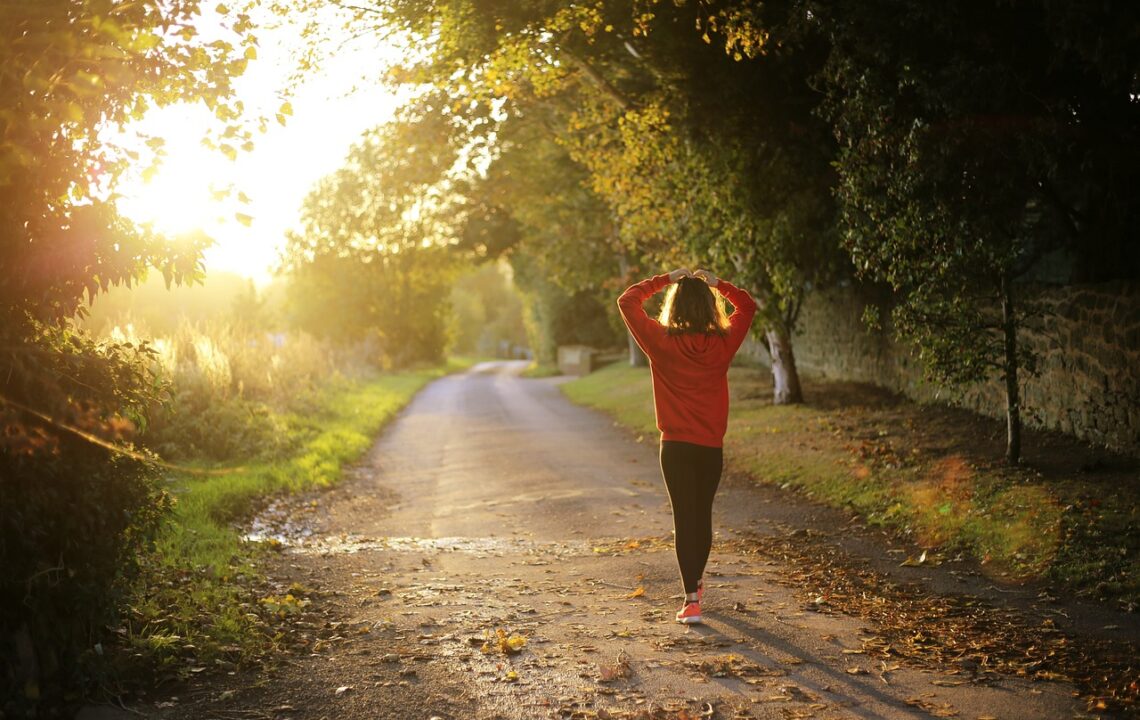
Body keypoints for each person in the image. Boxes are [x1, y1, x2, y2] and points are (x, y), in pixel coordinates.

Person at [617, 267, 757, 624]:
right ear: (710, 308)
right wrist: (718, 284)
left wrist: (665, 279)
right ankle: (695, 582)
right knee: (702, 516)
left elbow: (628, 301)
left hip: (675, 447)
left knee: (684, 517)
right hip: (710, 447)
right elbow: (748, 306)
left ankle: (691, 599)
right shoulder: (723, 343)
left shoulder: (660, 341)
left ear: (674, 307)